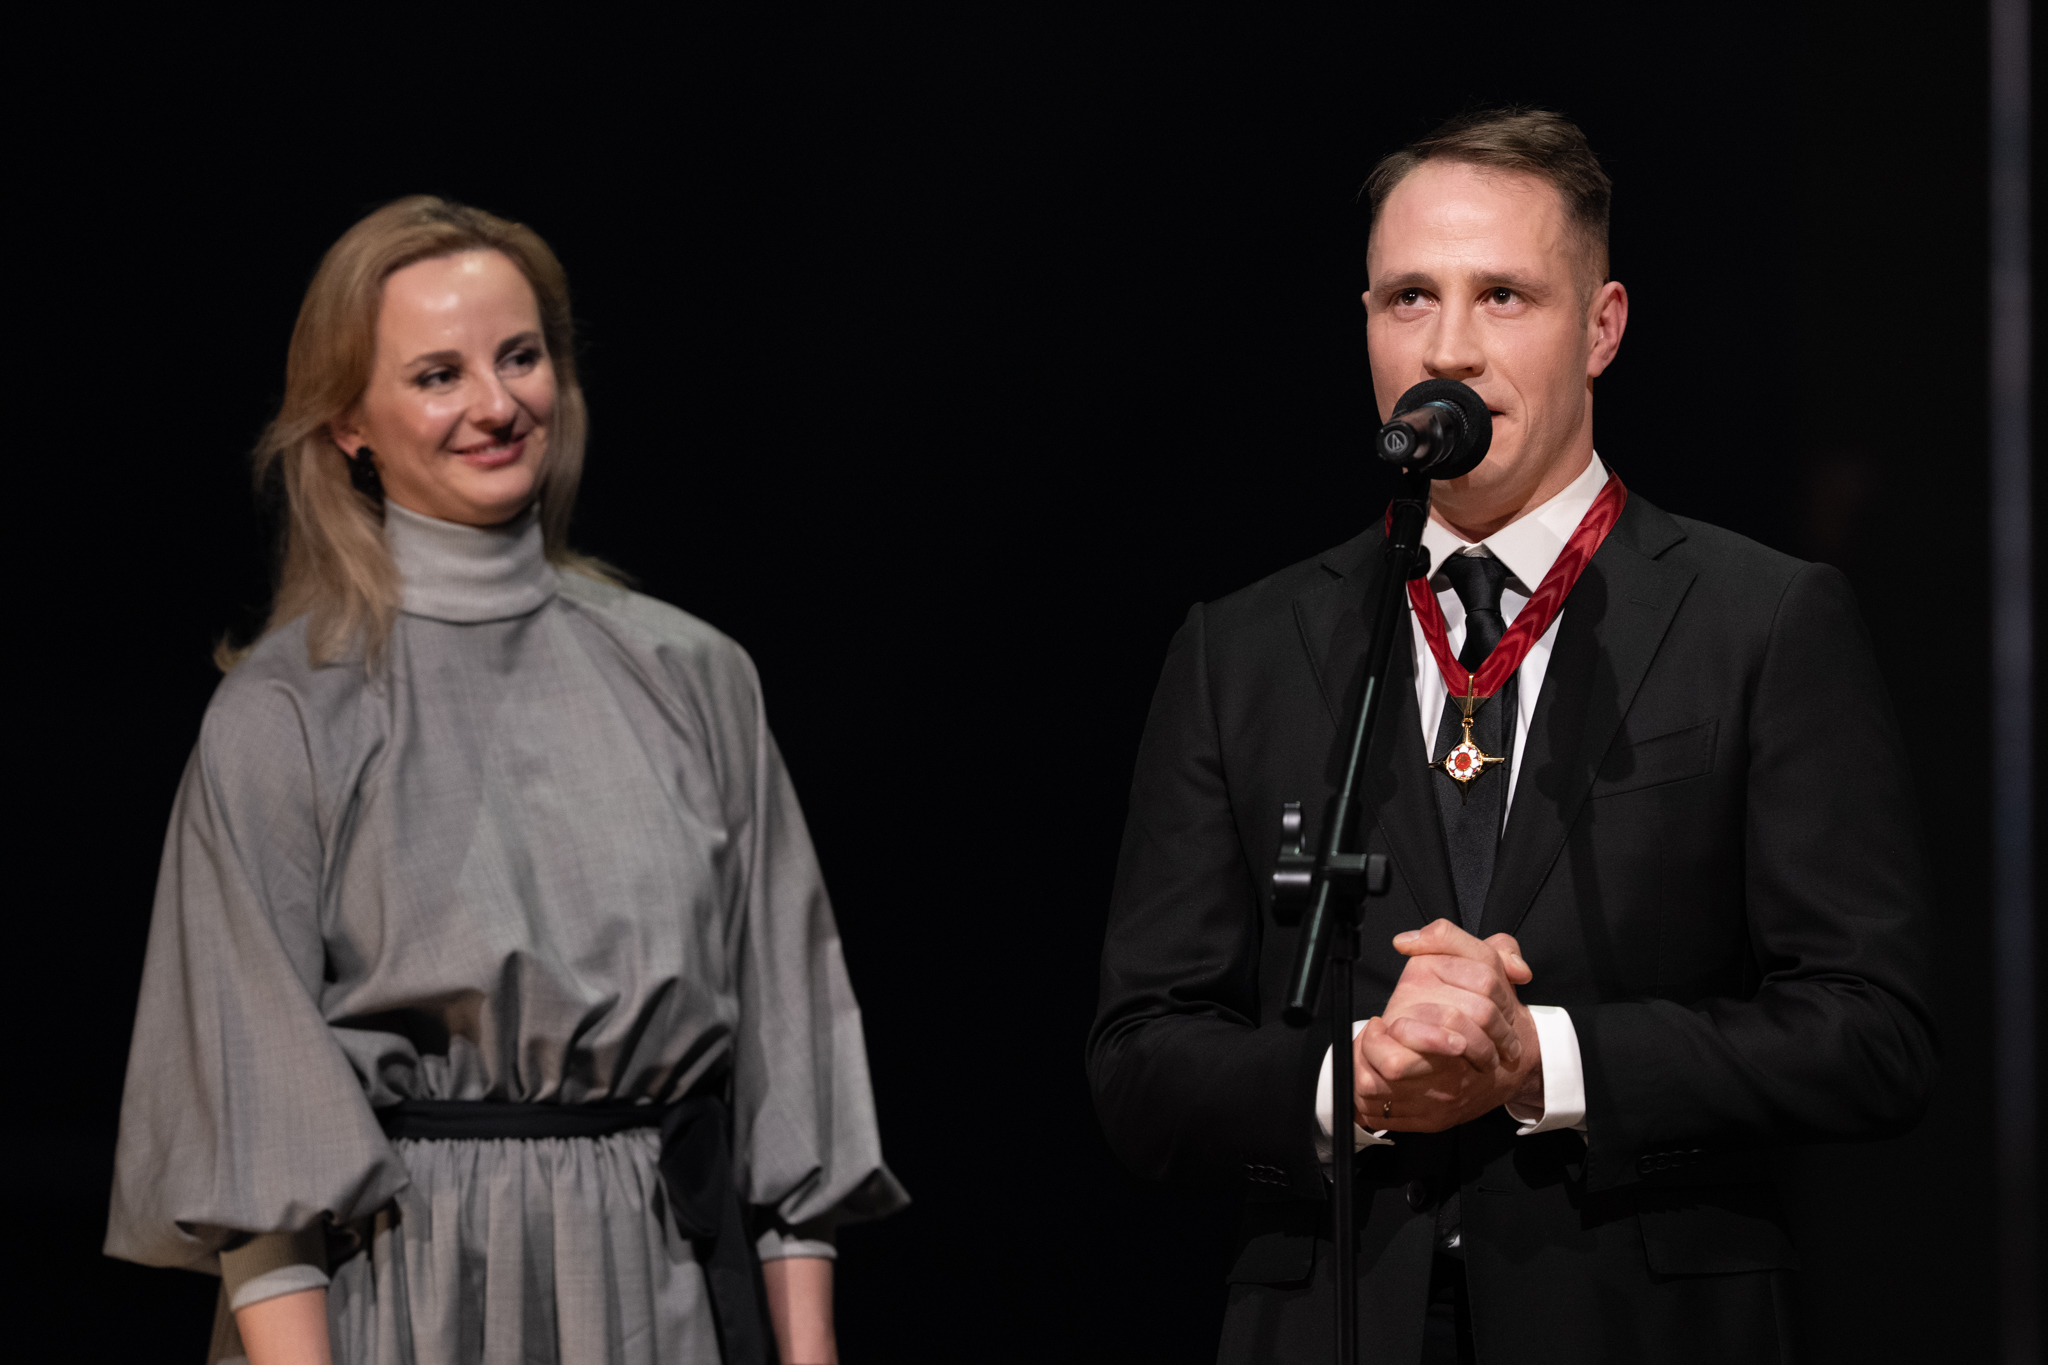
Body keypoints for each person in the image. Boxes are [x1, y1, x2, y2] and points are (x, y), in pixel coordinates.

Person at [1086, 109, 1936, 1365]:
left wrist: (1541, 1060)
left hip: (1640, 1325)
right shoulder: (1244, 647)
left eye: (1502, 297)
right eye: (1407, 298)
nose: (1447, 349)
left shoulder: (1759, 621)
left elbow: (1872, 1034)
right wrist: (1349, 1082)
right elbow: (1139, 1060)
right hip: (1332, 1323)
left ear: (1600, 328)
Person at [106, 196, 906, 1365]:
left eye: (519, 357)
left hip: (658, 1291)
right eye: (438, 374)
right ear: (348, 422)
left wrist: (808, 1349)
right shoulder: (287, 712)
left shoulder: (694, 676)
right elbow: (251, 1129)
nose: (495, 404)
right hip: (406, 1298)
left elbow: (797, 1060)